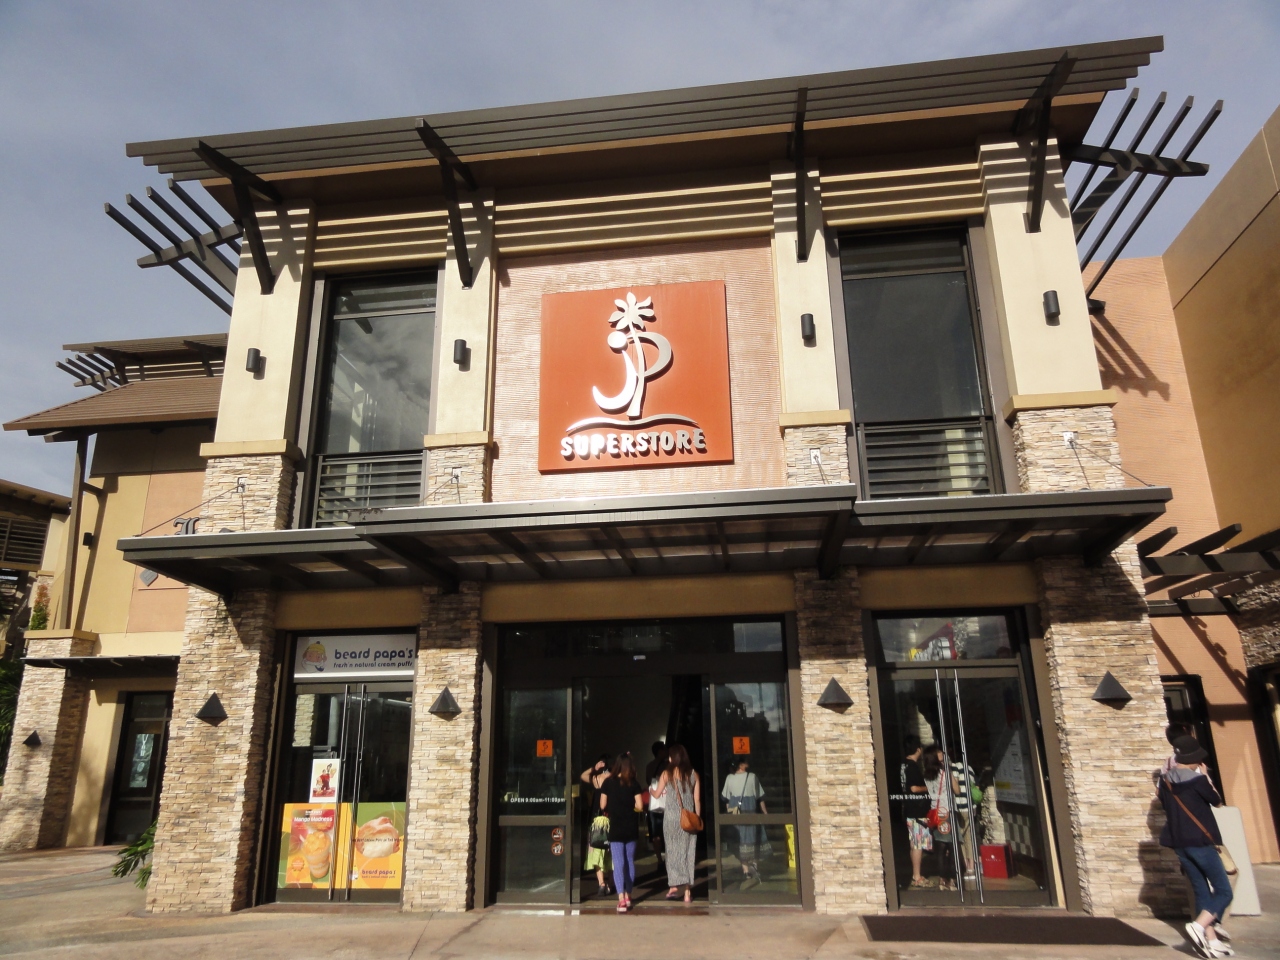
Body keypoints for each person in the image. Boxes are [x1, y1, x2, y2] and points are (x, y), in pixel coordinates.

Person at [1159, 735, 1234, 958]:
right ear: (1194, 759)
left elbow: (1165, 805)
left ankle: (1212, 942)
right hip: (1201, 842)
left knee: (1202, 891)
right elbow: (1217, 802)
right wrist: (1206, 776)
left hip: (1179, 843)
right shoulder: (1198, 781)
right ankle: (1198, 926)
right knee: (1224, 891)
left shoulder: (1165, 782)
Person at [650, 742, 701, 903]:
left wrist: (650, 790)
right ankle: (687, 892)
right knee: (688, 854)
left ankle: (673, 886)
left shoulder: (667, 774)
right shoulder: (694, 774)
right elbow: (697, 800)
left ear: (673, 758)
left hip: (671, 819)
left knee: (672, 852)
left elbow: (657, 795)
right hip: (689, 820)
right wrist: (697, 818)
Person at [599, 752, 644, 912]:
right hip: (631, 827)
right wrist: (630, 808)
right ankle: (629, 895)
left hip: (616, 827)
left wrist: (614, 806)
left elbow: (602, 805)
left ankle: (621, 899)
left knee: (618, 863)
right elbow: (640, 806)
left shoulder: (608, 783)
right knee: (629, 861)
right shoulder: (634, 783)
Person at [722, 759, 769, 885]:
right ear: (741, 765)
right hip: (751, 812)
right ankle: (755, 865)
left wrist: (730, 814)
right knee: (753, 839)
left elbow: (726, 799)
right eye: (746, 762)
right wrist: (765, 813)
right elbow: (760, 797)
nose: (748, 764)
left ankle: (746, 870)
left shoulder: (729, 778)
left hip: (736, 814)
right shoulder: (752, 777)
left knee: (740, 841)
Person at [898, 735, 931, 888]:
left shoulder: (903, 765)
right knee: (918, 844)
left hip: (909, 809)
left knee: (913, 843)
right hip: (917, 810)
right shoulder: (912, 766)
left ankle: (914, 874)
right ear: (918, 749)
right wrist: (928, 788)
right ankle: (917, 876)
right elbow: (914, 788)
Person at [923, 746, 957, 891]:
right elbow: (957, 790)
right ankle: (952, 880)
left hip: (935, 812)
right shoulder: (944, 772)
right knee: (952, 846)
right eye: (938, 752)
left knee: (941, 848)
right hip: (947, 811)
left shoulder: (927, 775)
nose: (942, 753)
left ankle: (942, 880)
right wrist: (950, 771)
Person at [580, 754, 613, 897]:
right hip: (609, 817)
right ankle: (610, 883)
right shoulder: (612, 778)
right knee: (610, 852)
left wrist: (594, 768)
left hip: (595, 819)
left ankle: (601, 883)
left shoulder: (595, 779)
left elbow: (582, 776)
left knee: (596, 850)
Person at [949, 753, 978, 880]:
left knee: (961, 838)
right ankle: (972, 867)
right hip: (970, 807)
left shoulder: (953, 768)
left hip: (959, 807)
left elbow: (955, 788)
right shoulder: (969, 768)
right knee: (969, 837)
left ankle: (966, 867)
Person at [645, 741, 668, 859]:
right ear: (660, 752)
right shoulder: (667, 766)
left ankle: (659, 858)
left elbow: (648, 781)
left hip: (654, 803)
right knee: (667, 832)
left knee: (655, 834)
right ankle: (668, 856)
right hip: (666, 802)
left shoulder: (649, 766)